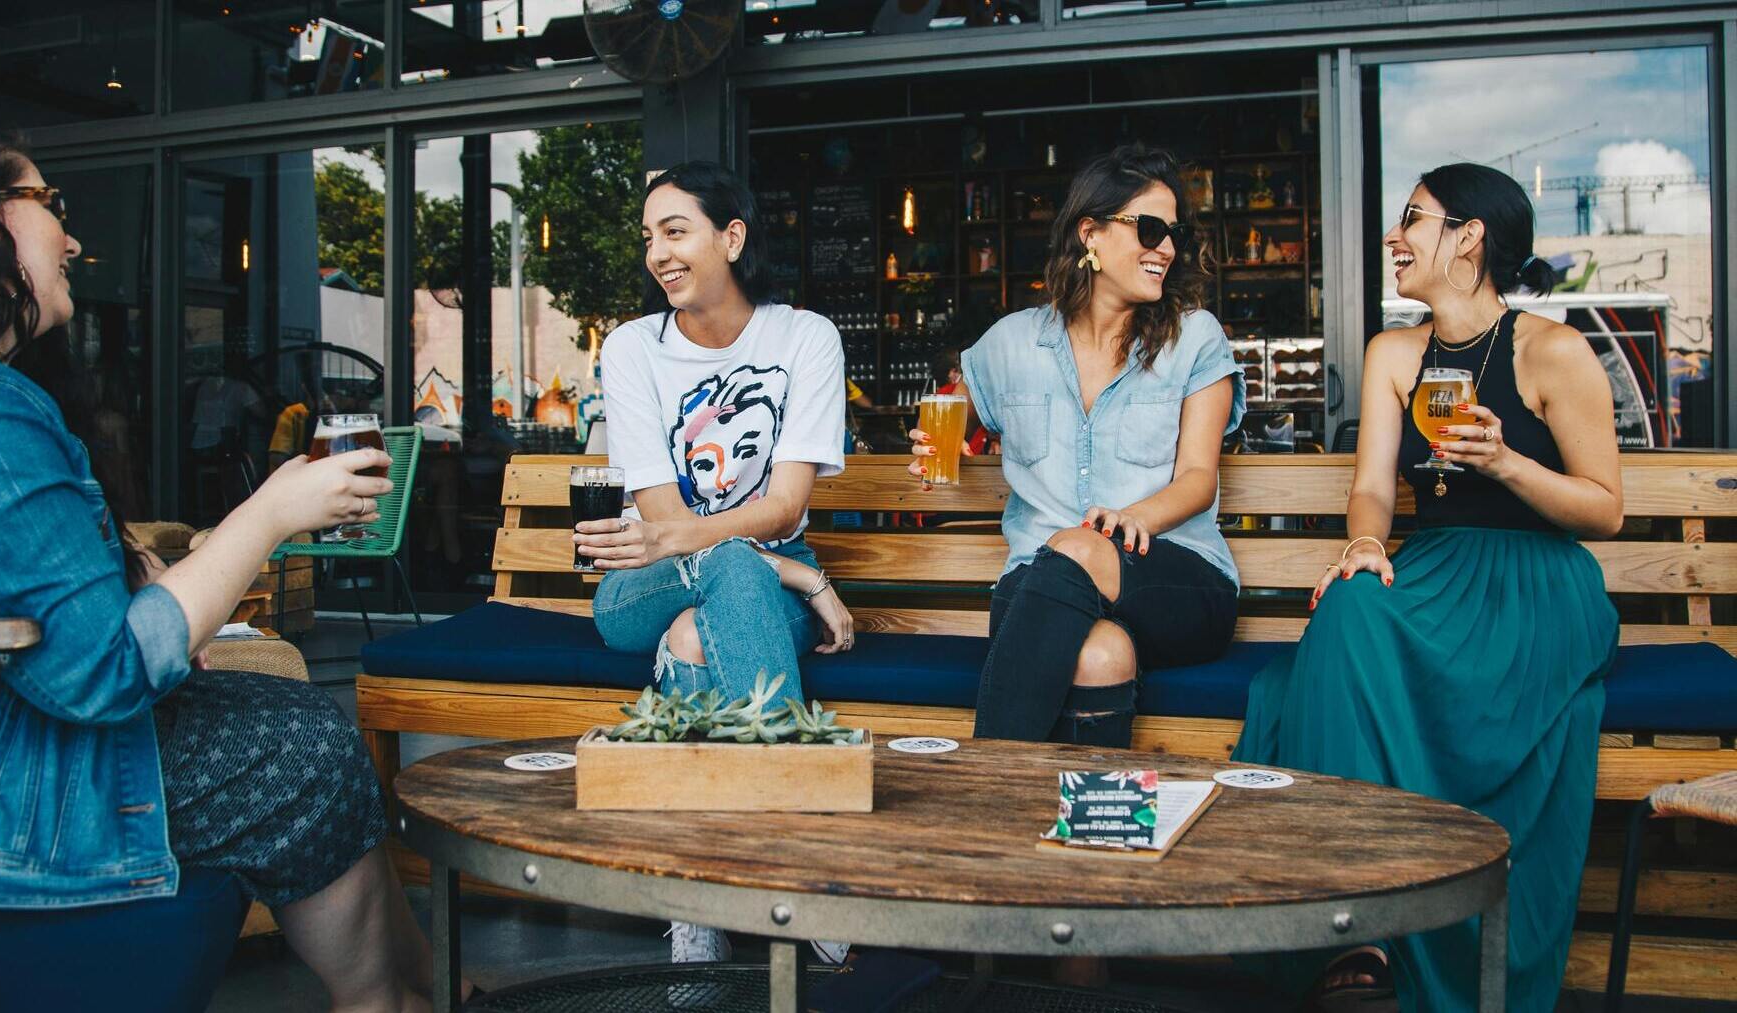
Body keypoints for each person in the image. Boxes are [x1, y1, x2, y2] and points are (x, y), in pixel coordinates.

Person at [0, 128, 453, 1012]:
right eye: (49, 206)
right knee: (297, 746)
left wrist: (138, 571)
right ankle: (393, 998)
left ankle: (423, 988)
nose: (70, 238)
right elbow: (103, 669)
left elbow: (37, 589)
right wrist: (269, 515)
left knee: (295, 720)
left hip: (0, 732)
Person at [1233, 163, 1621, 1012]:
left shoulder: (1551, 351)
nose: (1393, 235)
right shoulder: (1395, 353)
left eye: (1413, 217)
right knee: (1349, 603)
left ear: (1469, 238)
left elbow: (1605, 511)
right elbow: (1372, 484)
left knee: (1327, 654)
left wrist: (1508, 463)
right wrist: (1366, 541)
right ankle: (1354, 932)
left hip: (1536, 585)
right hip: (1433, 563)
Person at [576, 161, 856, 968]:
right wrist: (801, 574)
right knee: (733, 567)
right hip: (641, 585)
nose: (657, 253)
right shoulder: (632, 348)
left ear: (731, 237)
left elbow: (784, 507)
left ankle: (698, 893)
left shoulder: (804, 337)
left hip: (740, 587)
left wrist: (774, 557)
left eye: (676, 231)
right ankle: (799, 858)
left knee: (701, 637)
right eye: (648, 238)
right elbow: (660, 521)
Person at [913, 142, 1244, 751]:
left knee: (1081, 548)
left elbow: (1199, 478)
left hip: (1173, 579)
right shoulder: (1011, 342)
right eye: (1149, 229)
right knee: (1099, 655)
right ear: (1090, 233)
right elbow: (953, 405)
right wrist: (941, 440)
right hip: (1037, 588)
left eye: (1174, 232)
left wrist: (1131, 519)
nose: (1166, 247)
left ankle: (985, 776)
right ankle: (1085, 832)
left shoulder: (1194, 338)